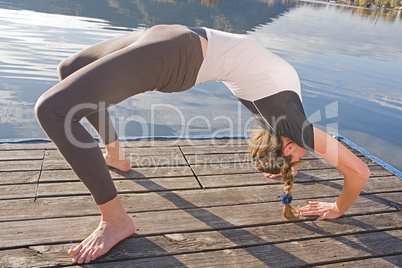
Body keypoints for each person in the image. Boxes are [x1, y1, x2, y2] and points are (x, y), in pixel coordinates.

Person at [34, 24, 370, 264]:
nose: (305, 155)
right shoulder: (290, 119)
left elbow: (359, 172)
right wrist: (291, 172)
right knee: (71, 69)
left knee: (53, 110)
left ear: (282, 146)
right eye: (298, 159)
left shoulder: (286, 115)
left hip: (178, 52)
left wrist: (337, 207)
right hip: (173, 38)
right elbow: (355, 171)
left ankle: (115, 220)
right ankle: (116, 156)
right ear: (287, 146)